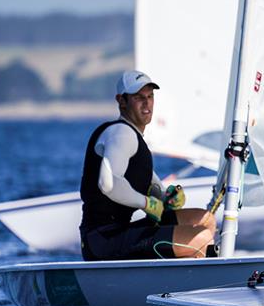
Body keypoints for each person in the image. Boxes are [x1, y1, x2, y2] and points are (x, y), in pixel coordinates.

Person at [79, 70, 217, 261]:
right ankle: (193, 281)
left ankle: (185, 275)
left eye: (150, 97)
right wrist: (146, 203)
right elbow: (108, 184)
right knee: (200, 238)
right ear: (121, 101)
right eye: (138, 97)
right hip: (103, 241)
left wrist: (169, 199)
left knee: (204, 219)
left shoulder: (134, 141)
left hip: (120, 233)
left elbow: (157, 195)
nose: (146, 103)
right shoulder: (121, 133)